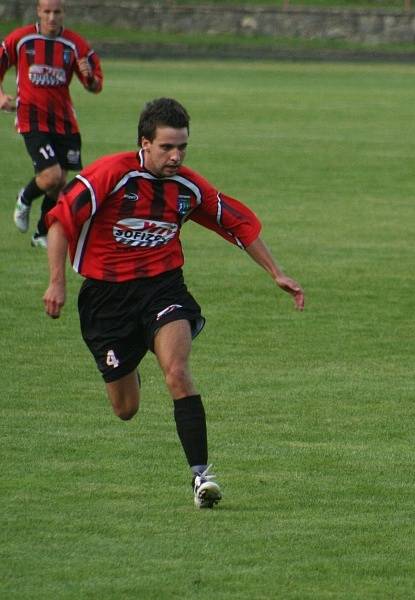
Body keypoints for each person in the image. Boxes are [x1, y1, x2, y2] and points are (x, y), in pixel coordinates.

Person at [43, 97, 305, 509]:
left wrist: (277, 272)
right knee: (125, 409)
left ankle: (201, 477)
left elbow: (235, 223)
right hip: (105, 299)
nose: (176, 156)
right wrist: (56, 282)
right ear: (144, 143)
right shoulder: (109, 175)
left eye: (182, 146)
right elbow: (60, 222)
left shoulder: (188, 186)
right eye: (166, 147)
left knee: (178, 371)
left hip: (163, 289)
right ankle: (131, 359)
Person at [0, 0, 103, 248]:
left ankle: (40, 233)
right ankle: (24, 198)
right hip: (31, 118)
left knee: (59, 185)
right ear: (38, 12)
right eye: (47, 12)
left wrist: (88, 75)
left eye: (57, 12)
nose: (52, 17)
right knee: (51, 176)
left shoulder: (76, 44)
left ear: (63, 12)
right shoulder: (20, 39)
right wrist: (1, 96)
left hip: (65, 123)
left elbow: (96, 86)